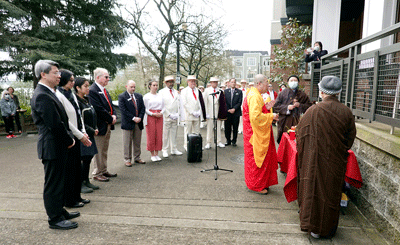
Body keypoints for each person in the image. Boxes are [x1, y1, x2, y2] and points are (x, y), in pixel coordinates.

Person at [296, 76, 356, 238]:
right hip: (335, 161)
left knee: (313, 191)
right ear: (338, 92)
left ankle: (313, 227)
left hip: (314, 160)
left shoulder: (313, 111)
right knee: (331, 191)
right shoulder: (346, 112)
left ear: (322, 92)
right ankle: (328, 228)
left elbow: (300, 134)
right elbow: (349, 139)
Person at [31, 60, 79, 230]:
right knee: (53, 183)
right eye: (55, 72)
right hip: (52, 146)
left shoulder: (49, 92)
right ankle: (54, 218)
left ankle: (59, 211)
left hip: (57, 145)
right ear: (43, 74)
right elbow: (54, 124)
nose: (59, 75)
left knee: (59, 181)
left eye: (59, 72)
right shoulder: (42, 94)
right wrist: (69, 140)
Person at [56, 69, 91, 208]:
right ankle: (70, 200)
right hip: (70, 136)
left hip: (78, 134)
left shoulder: (72, 93)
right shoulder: (59, 95)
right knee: (70, 170)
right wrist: (80, 135)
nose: (73, 82)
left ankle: (77, 196)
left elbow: (77, 113)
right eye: (71, 80)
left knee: (77, 168)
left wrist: (83, 130)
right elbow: (66, 119)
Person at [243, 74, 279, 194]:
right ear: (259, 84)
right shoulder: (254, 96)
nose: (268, 86)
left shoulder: (255, 94)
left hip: (252, 133)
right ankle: (256, 185)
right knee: (257, 160)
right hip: (254, 134)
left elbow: (257, 111)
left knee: (257, 159)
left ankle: (260, 183)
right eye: (266, 84)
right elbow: (255, 118)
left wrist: (266, 108)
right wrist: (271, 115)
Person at [88, 68, 117, 182]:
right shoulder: (93, 90)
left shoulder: (104, 90)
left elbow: (111, 105)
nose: (108, 79)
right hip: (100, 125)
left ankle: (104, 170)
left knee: (104, 149)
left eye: (108, 77)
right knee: (99, 150)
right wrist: (110, 118)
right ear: (98, 77)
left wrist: (113, 115)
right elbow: (98, 109)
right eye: (106, 77)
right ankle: (97, 172)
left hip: (108, 124)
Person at [74, 77, 100, 193]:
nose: (88, 88)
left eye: (88, 85)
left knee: (89, 158)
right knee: (82, 159)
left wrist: (95, 128)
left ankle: (86, 180)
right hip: (83, 134)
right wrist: (90, 130)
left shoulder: (87, 100)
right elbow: (79, 120)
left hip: (91, 133)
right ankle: (79, 183)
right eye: (85, 86)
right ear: (78, 88)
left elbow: (92, 115)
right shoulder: (76, 102)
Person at [273, 75, 312, 144]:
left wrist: (300, 105)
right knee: (284, 142)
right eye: (291, 80)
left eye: (295, 80)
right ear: (288, 82)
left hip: (297, 122)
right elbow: (276, 107)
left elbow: (309, 107)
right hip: (284, 122)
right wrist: (286, 108)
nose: (293, 82)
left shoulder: (302, 95)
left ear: (298, 82)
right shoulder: (282, 93)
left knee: (294, 143)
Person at [119, 80, 146, 166]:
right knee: (127, 142)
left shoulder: (139, 96)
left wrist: (140, 118)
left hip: (138, 123)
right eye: (131, 87)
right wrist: (133, 118)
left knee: (137, 142)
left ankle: (137, 157)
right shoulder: (122, 96)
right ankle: (127, 159)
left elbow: (142, 108)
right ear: (126, 86)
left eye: (134, 87)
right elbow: (123, 110)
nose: (133, 89)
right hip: (128, 123)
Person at [159, 75, 183, 158]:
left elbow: (179, 103)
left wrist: (177, 114)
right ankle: (164, 150)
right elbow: (161, 105)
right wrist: (169, 114)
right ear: (166, 83)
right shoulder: (161, 92)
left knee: (174, 133)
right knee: (165, 134)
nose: (171, 83)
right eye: (169, 82)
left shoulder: (176, 92)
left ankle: (174, 149)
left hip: (175, 116)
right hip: (167, 116)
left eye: (172, 82)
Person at [181, 75, 206, 151]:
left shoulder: (197, 90)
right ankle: (186, 145)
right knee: (187, 131)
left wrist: (199, 111)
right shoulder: (184, 91)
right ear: (188, 82)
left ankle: (197, 145)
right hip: (188, 114)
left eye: (194, 81)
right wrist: (192, 112)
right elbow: (184, 103)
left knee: (197, 131)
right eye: (191, 81)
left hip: (197, 114)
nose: (193, 83)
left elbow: (199, 102)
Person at [143, 81, 164, 162]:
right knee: (151, 135)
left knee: (159, 134)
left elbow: (164, 107)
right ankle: (152, 154)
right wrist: (153, 114)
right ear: (149, 86)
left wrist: (161, 113)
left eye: (156, 85)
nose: (155, 87)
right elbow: (145, 108)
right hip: (150, 116)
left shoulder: (160, 96)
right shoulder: (146, 97)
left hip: (159, 115)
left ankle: (157, 153)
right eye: (153, 85)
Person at [203, 77, 227, 149]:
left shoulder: (220, 91)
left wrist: (221, 113)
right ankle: (208, 142)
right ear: (210, 83)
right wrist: (206, 113)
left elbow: (222, 103)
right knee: (209, 129)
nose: (215, 83)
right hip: (210, 112)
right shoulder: (207, 90)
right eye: (213, 82)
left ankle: (219, 141)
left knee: (218, 128)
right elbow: (205, 102)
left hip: (218, 112)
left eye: (216, 82)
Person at [224, 78, 243, 146]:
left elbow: (239, 102)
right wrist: (228, 109)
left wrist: (234, 109)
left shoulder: (239, 91)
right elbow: (224, 101)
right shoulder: (225, 91)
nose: (233, 83)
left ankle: (234, 141)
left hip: (236, 112)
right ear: (229, 83)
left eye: (234, 82)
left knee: (235, 128)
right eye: (232, 82)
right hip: (228, 112)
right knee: (227, 128)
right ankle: (228, 140)